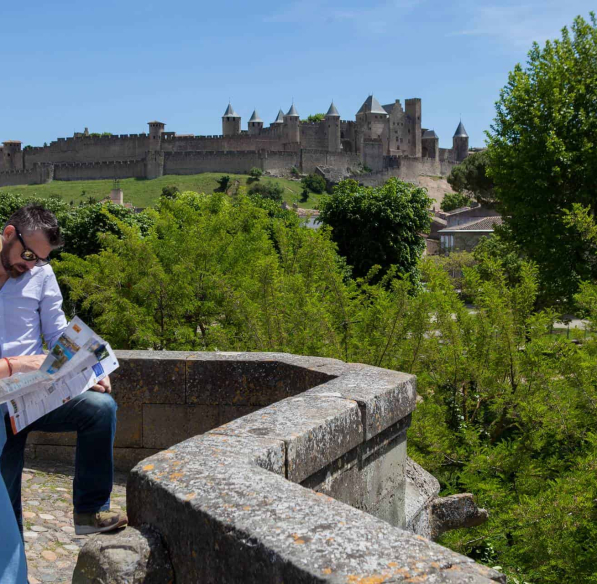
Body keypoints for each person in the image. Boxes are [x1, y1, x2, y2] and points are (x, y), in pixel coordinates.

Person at [0, 205, 128, 537]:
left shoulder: (40, 273)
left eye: (39, 259)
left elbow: (60, 336)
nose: (30, 264)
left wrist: (91, 366)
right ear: (9, 234)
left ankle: (89, 513)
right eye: (28, 254)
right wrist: (14, 365)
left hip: (33, 394)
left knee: (101, 409)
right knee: (6, 500)